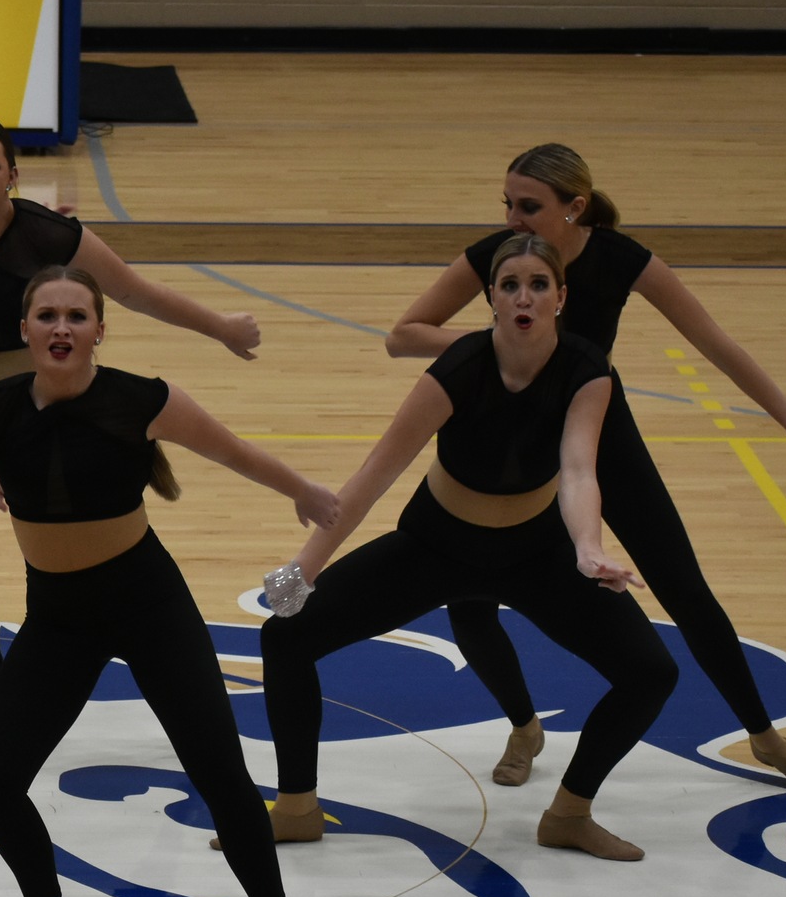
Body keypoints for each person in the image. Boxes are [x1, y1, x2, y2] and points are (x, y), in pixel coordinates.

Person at [0, 267, 342, 897]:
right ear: (24, 330)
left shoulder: (141, 399)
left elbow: (231, 451)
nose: (60, 327)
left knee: (219, 769)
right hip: (58, 617)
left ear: (99, 330)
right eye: (46, 315)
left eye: (76, 316)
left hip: (149, 604)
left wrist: (300, 490)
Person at [386, 144, 786, 794]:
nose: (513, 219)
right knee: (469, 603)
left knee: (685, 590)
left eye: (528, 207)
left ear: (574, 207)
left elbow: (716, 343)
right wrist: (498, 340)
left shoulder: (622, 260)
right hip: (504, 436)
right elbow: (402, 334)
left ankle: (762, 735)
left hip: (596, 430)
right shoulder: (498, 257)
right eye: (506, 204)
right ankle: (522, 724)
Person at [264, 235, 678, 862]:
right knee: (284, 636)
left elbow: (578, 471)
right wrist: (300, 574)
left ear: (561, 298)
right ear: (489, 298)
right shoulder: (458, 367)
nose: (524, 296)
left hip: (536, 551)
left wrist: (588, 548)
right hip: (436, 546)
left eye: (539, 284)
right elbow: (372, 478)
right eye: (509, 284)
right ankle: (296, 807)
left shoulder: (588, 370)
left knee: (651, 672)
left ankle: (569, 813)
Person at [0, 115, 263, 746]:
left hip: (58, 409)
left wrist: (219, 326)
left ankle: (104, 677)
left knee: (70, 556)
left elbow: (135, 292)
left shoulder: (50, 233)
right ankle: (4, 698)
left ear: (12, 173)